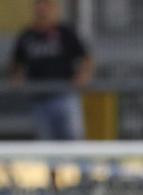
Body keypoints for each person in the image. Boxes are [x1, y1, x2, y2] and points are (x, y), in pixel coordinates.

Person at [9, 0, 93, 140]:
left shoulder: (64, 32)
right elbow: (17, 63)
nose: (42, 9)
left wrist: (83, 75)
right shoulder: (27, 35)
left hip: (65, 96)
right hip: (39, 99)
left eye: (46, 5)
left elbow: (86, 58)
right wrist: (17, 77)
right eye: (39, 4)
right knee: (47, 146)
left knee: (74, 142)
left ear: (54, 9)